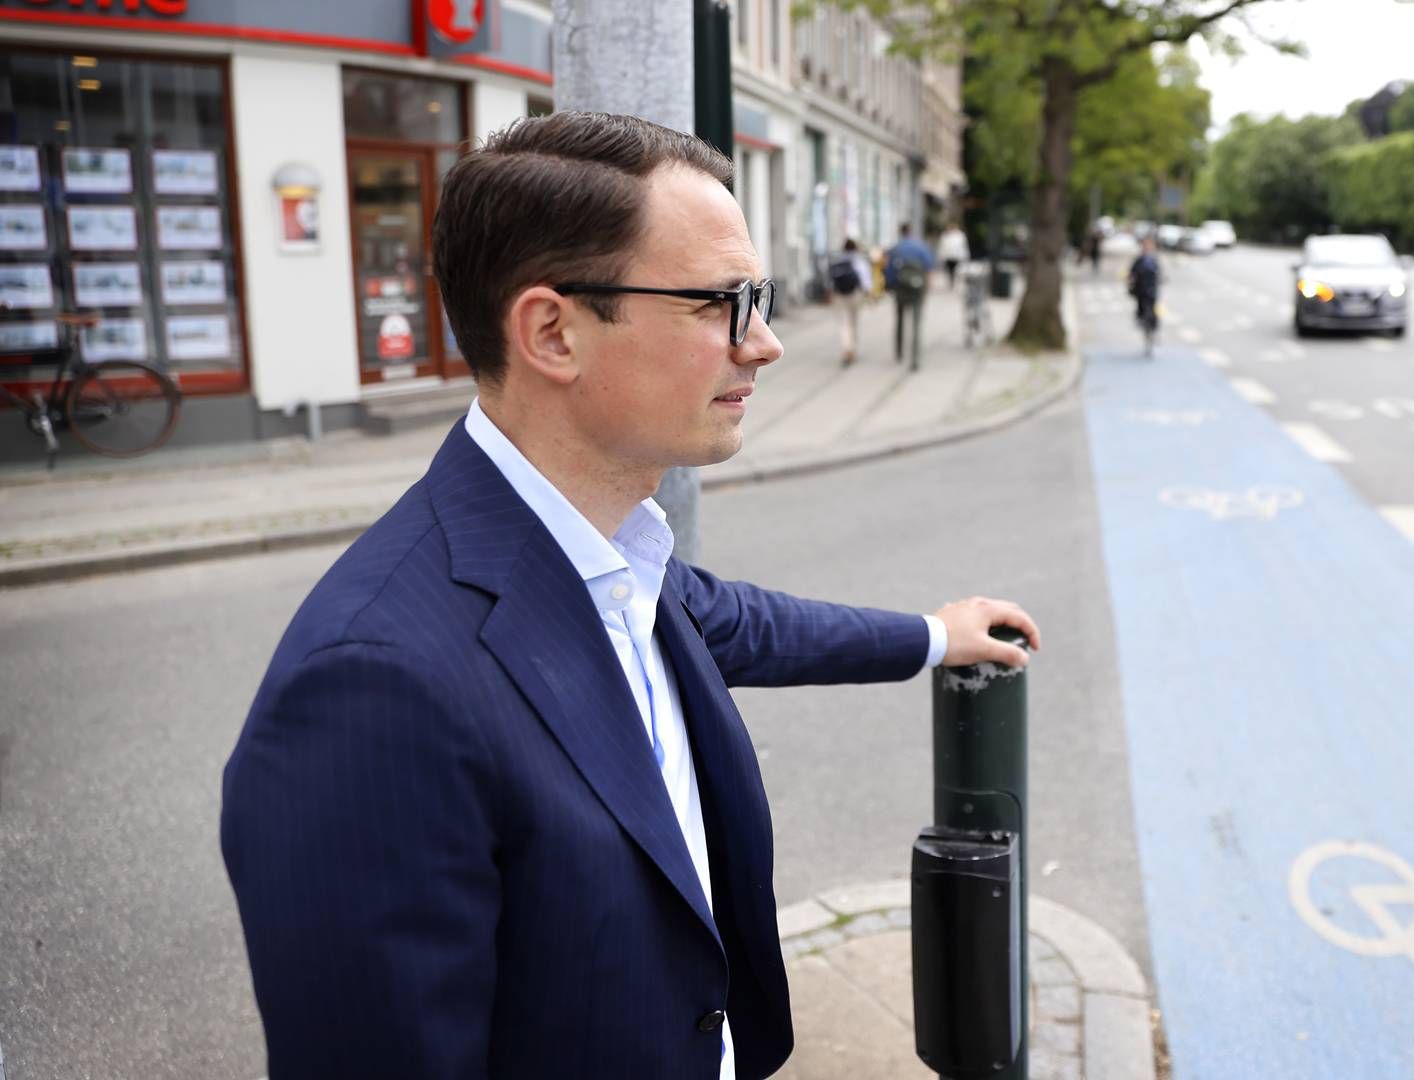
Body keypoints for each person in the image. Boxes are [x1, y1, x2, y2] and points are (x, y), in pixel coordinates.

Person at [219, 111, 1040, 1080]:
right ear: (553, 332)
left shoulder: (615, 559)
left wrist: (935, 637)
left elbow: (748, 625)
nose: (766, 343)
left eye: (759, 299)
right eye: (720, 304)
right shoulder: (369, 691)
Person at [884, 222, 934, 370]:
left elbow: (889, 271)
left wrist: (890, 287)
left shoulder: (896, 249)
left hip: (901, 289)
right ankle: (915, 359)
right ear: (911, 231)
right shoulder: (921, 247)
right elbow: (929, 269)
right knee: (916, 324)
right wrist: (927, 287)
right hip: (918, 289)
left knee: (899, 320)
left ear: (900, 232)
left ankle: (899, 352)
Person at [826, 237, 871, 366]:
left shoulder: (838, 260)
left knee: (843, 324)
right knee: (854, 322)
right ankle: (853, 349)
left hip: (839, 295)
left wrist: (829, 294)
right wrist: (869, 295)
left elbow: (830, 279)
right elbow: (865, 280)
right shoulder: (859, 261)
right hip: (855, 295)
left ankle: (846, 349)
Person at [1128, 233, 1162, 352]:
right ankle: (1140, 320)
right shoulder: (1139, 260)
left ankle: (1154, 329)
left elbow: (1159, 273)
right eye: (1145, 245)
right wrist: (1131, 282)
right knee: (1141, 308)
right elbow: (1131, 273)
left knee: (1154, 310)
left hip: (1152, 290)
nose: (1147, 247)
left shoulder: (1154, 260)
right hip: (1140, 290)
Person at [936, 221, 970, 290]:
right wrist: (940, 256)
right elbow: (942, 246)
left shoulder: (960, 235)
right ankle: (951, 282)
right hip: (948, 256)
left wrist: (965, 255)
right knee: (949, 270)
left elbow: (964, 246)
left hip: (957, 256)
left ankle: (954, 282)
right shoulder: (945, 235)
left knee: (956, 270)